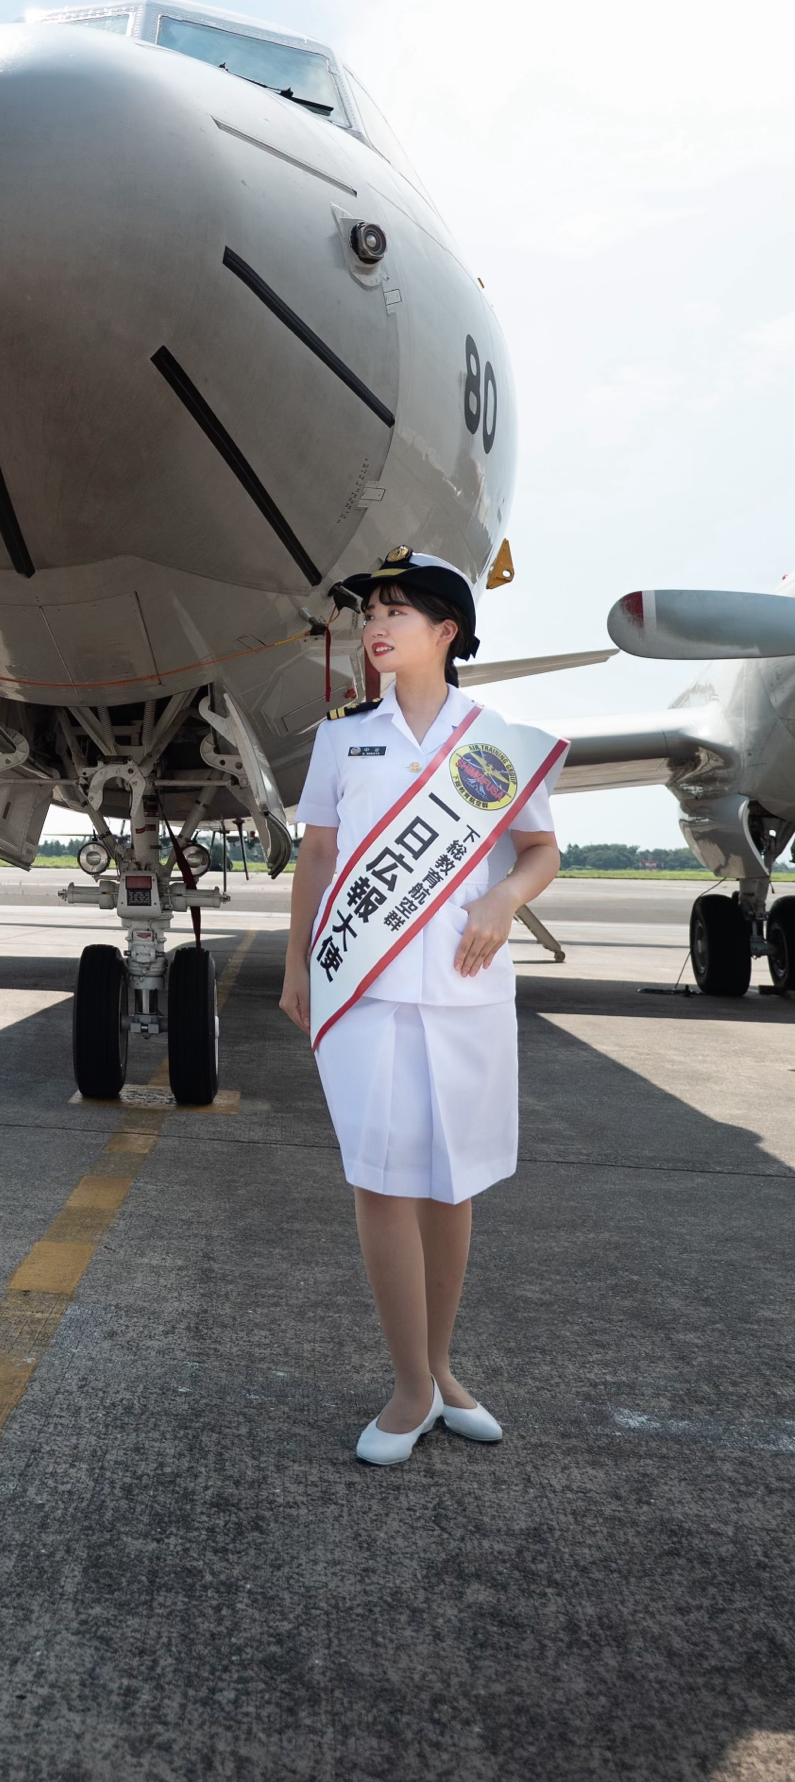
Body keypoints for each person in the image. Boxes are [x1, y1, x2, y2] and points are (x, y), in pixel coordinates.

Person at [281, 549, 562, 1466]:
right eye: (370, 612)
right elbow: (318, 857)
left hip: (466, 991)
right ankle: (408, 1387)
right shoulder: (342, 739)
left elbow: (540, 851)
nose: (376, 626)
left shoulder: (495, 739)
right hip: (364, 991)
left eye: (396, 612)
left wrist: (503, 899)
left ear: (447, 631)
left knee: (453, 1183)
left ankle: (442, 1372)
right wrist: (298, 964)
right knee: (382, 1181)